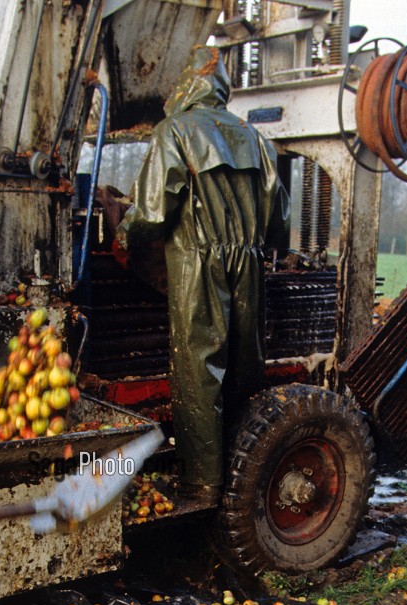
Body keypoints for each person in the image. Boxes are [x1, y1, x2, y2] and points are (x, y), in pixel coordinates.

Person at [114, 45, 289, 502]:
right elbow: (279, 220)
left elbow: (153, 210)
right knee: (244, 370)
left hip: (197, 259)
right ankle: (244, 474)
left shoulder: (175, 131)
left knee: (199, 370)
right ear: (222, 87)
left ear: (185, 85)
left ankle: (204, 484)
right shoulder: (255, 139)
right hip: (247, 262)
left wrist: (122, 235)